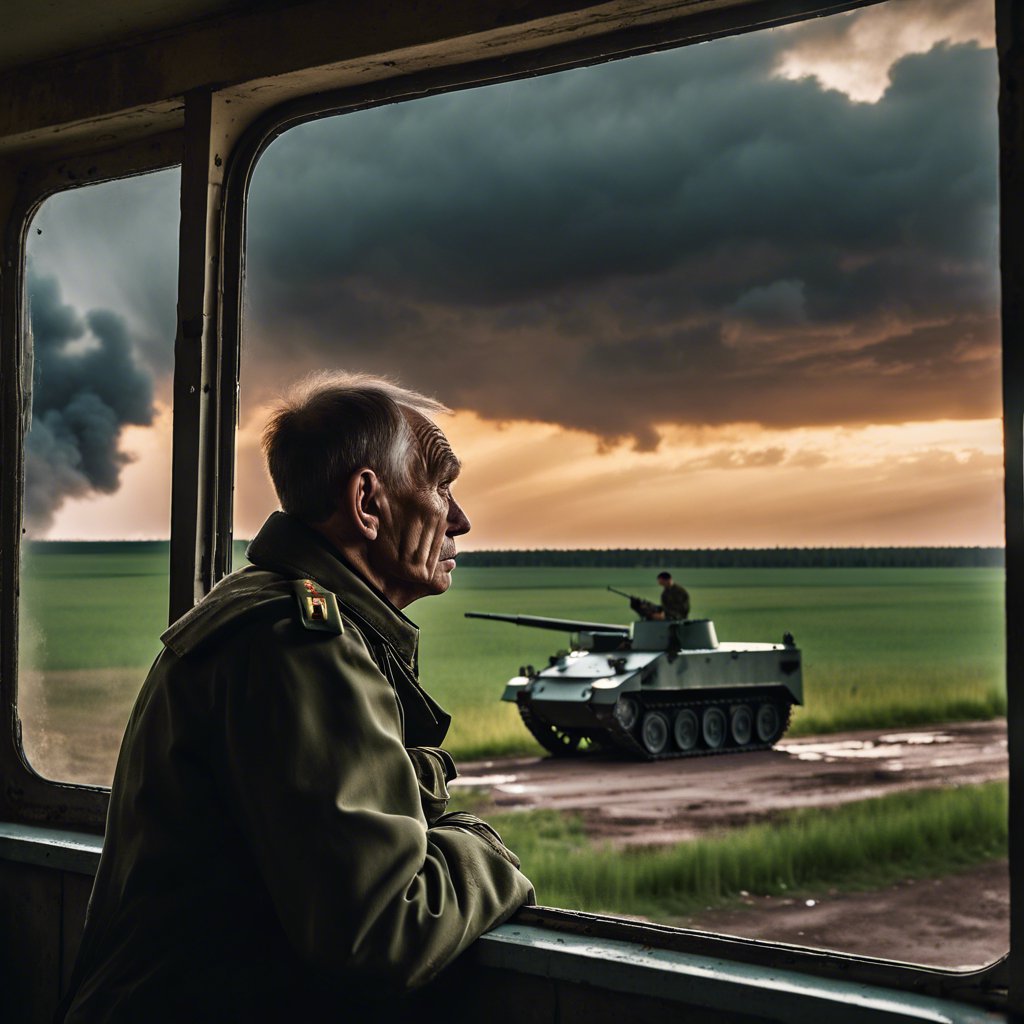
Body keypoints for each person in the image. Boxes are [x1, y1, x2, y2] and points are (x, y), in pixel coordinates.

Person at [60, 373, 535, 1023]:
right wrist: (486, 846)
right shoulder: (302, 647)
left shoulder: (256, 609)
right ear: (368, 502)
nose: (461, 519)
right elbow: (384, 932)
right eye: (441, 486)